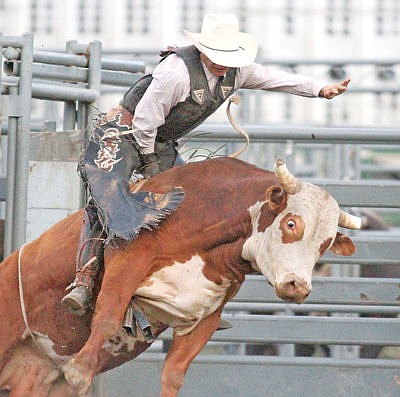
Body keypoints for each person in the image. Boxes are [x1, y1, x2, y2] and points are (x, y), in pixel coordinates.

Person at [61, 13, 350, 316]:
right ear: (202, 50)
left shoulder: (237, 72)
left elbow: (274, 79)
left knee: (187, 203)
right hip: (122, 135)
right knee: (112, 202)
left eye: (228, 56)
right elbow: (144, 121)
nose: (222, 63)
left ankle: (180, 292)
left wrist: (318, 89)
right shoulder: (175, 73)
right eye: (217, 55)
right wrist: (149, 164)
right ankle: (84, 281)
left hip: (158, 141)